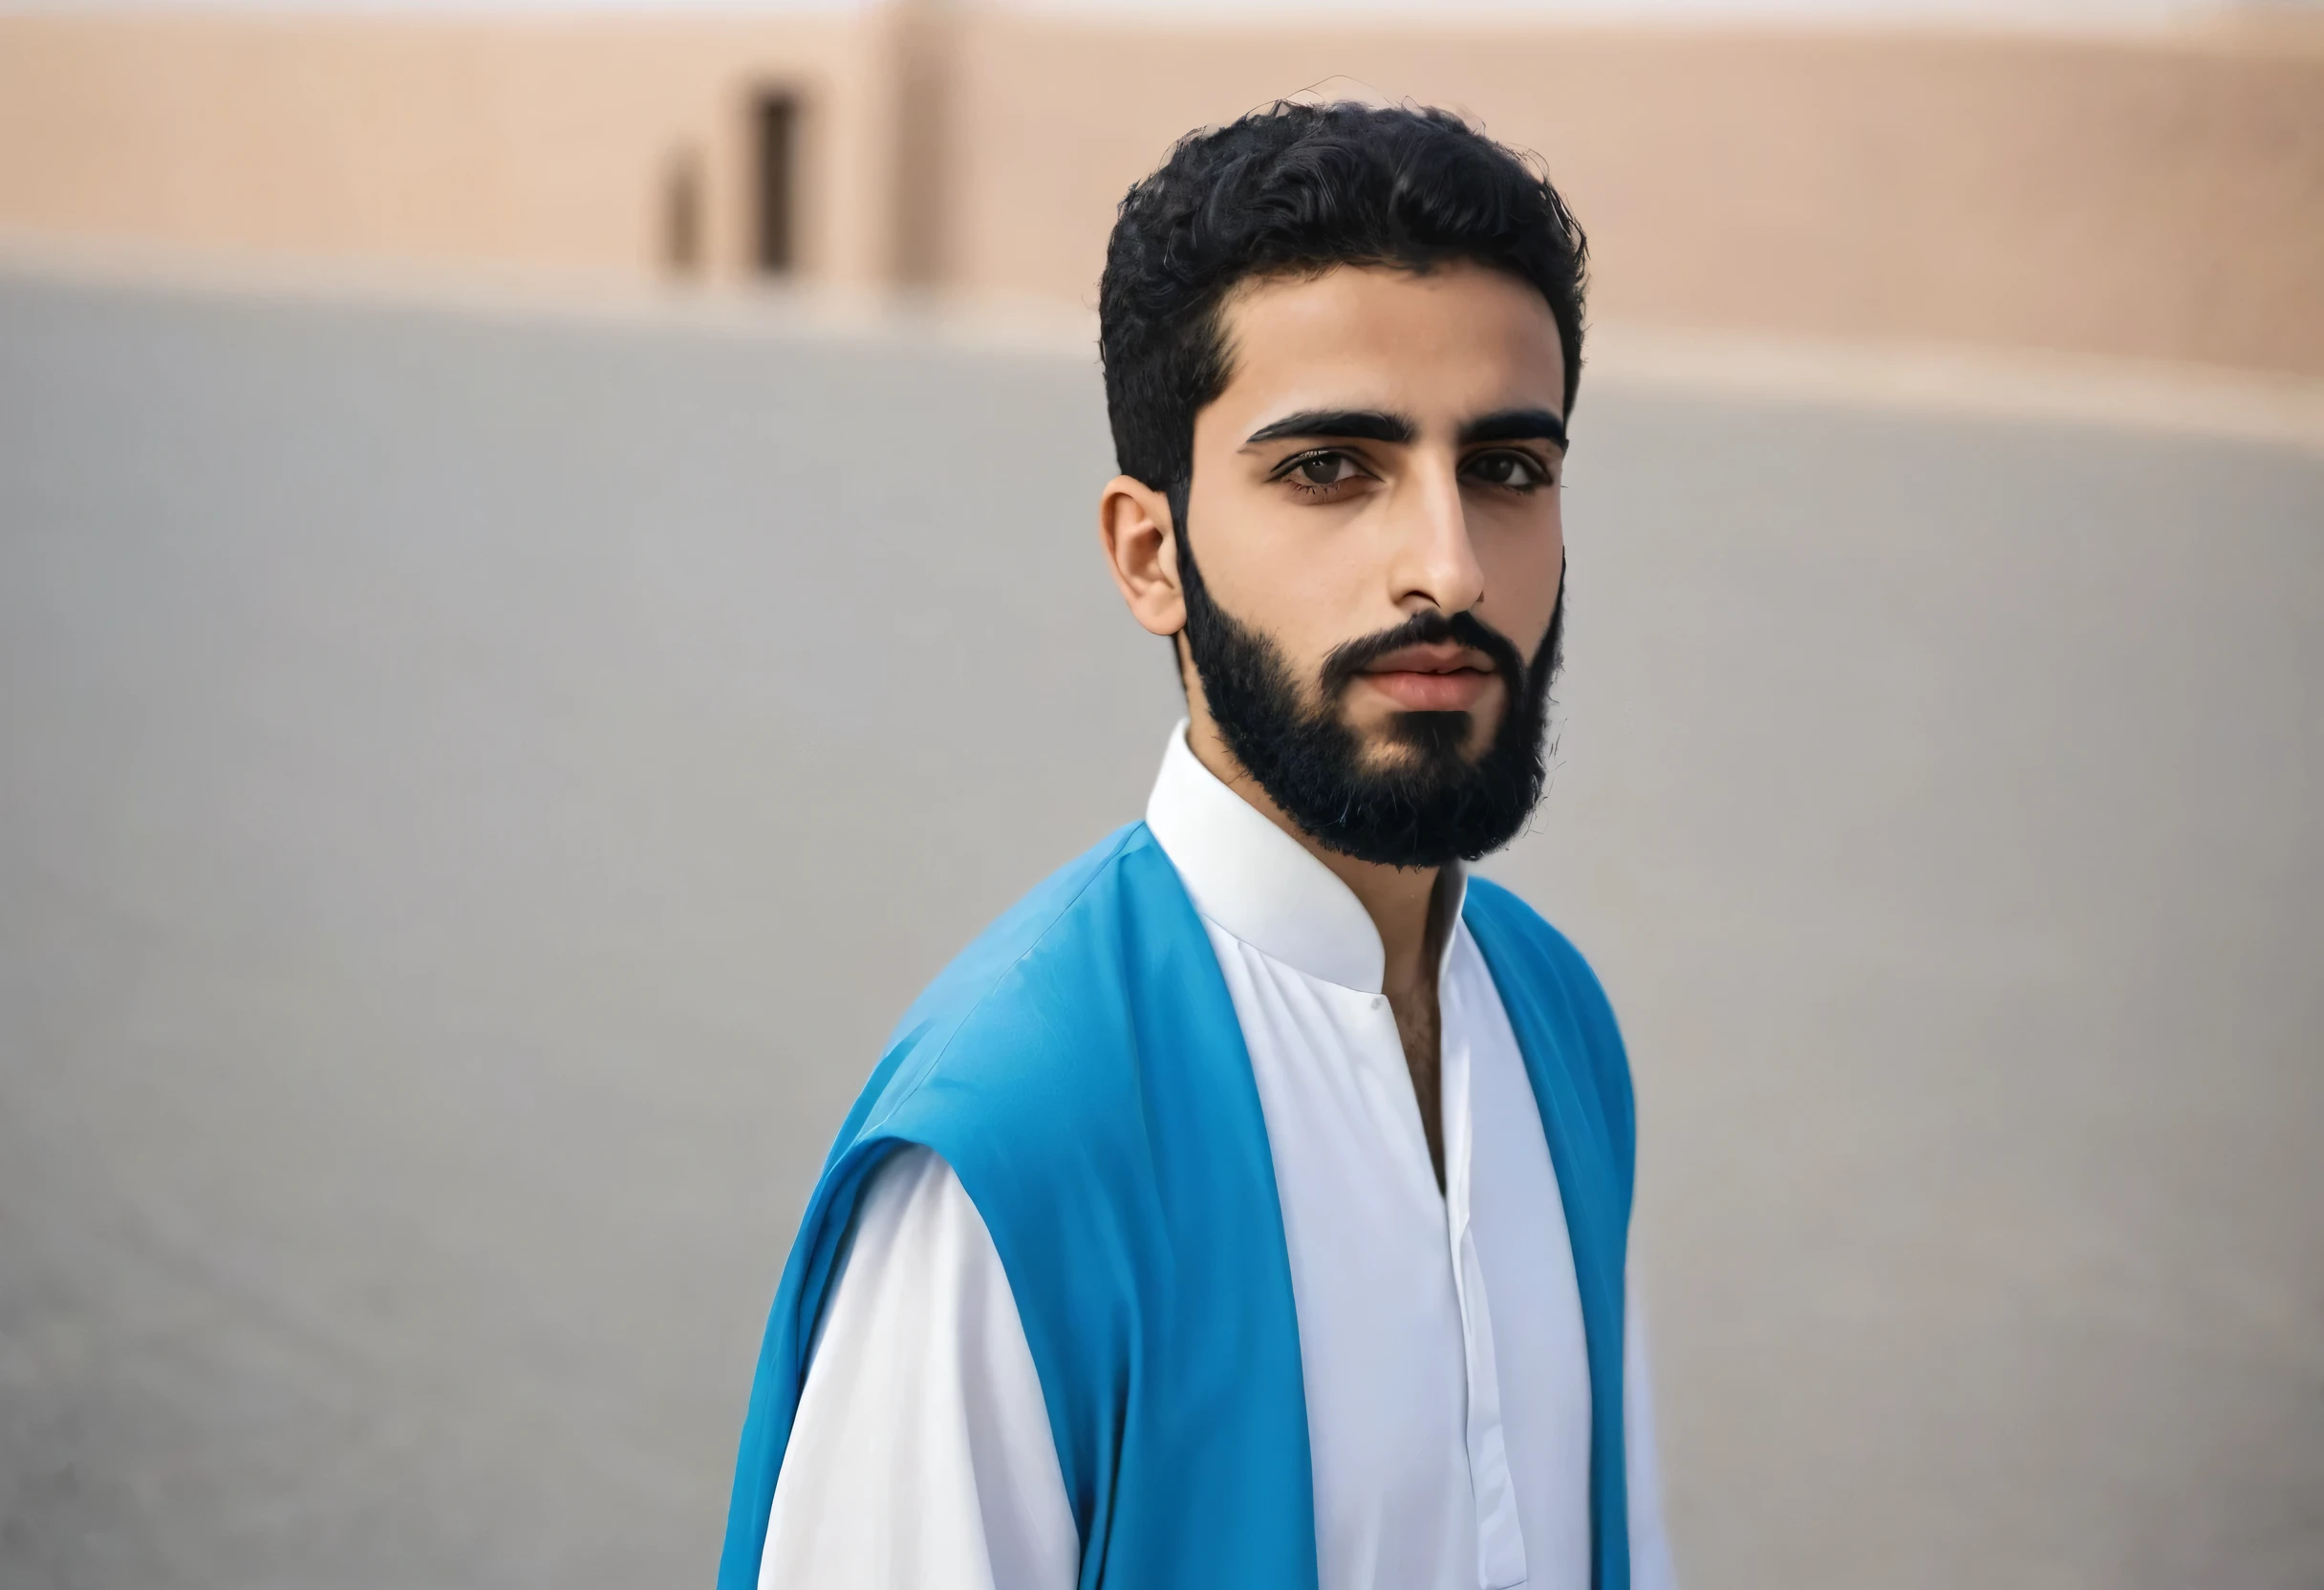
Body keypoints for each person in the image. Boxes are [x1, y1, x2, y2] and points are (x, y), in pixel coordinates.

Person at [720, 101, 1676, 1590]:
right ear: (1150, 554)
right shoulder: (1017, 1144)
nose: (1449, 565)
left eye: (1505, 469)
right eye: (1329, 470)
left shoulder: (1560, 1032)